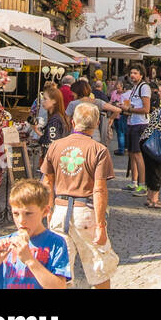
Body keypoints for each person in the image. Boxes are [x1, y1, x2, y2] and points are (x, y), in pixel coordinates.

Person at [42, 101, 119, 290]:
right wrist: (101, 224)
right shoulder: (98, 150)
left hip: (60, 210)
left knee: (60, 269)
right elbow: (99, 189)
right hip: (85, 212)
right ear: (94, 125)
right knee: (98, 266)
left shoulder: (55, 146)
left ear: (72, 121)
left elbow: (46, 182)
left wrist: (48, 209)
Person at [0, 179, 71, 291]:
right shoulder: (2, 243)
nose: (22, 220)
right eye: (16, 214)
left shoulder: (56, 243)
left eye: (28, 213)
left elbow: (59, 287)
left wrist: (29, 260)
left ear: (45, 211)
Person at [123, 63, 152, 195]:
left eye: (135, 73)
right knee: (132, 153)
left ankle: (142, 185)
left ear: (141, 75)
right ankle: (134, 182)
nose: (132, 75)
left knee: (138, 154)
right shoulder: (135, 87)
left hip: (140, 124)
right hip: (132, 122)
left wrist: (129, 109)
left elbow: (146, 109)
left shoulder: (144, 87)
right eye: (131, 73)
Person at [38, 85, 69, 153]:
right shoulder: (57, 117)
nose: (42, 101)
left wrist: (37, 131)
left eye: (45, 99)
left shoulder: (55, 120)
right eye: (43, 98)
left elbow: (51, 143)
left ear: (54, 101)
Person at [110, 78, 127, 155]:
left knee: (121, 133)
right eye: (117, 88)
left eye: (119, 88)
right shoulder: (114, 92)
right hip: (115, 115)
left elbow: (127, 105)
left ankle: (121, 149)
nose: (117, 89)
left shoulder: (125, 95)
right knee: (118, 132)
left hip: (121, 115)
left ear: (123, 88)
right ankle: (122, 147)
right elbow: (111, 101)